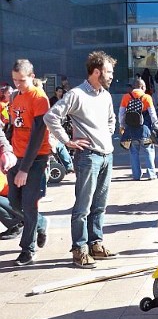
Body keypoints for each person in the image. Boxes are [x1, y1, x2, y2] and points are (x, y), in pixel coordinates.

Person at [44, 51, 118, 269]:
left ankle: (96, 243)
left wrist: (106, 135)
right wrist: (68, 141)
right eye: (109, 72)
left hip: (107, 155)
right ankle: (79, 249)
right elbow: (51, 117)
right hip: (88, 157)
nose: (112, 76)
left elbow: (111, 120)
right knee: (83, 207)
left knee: (100, 205)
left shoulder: (104, 95)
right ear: (96, 72)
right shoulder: (76, 94)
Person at [7, 59, 50, 266]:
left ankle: (27, 249)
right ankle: (41, 224)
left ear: (32, 77)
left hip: (36, 158)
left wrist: (24, 169)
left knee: (28, 204)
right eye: (14, 80)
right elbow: (12, 127)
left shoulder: (39, 98)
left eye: (22, 80)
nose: (17, 84)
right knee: (14, 201)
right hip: (16, 156)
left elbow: (38, 134)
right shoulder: (16, 96)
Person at [119, 79, 158, 180]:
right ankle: (151, 174)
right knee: (149, 150)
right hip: (145, 130)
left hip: (131, 130)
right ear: (142, 87)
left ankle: (136, 175)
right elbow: (152, 114)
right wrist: (156, 125)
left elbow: (121, 114)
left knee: (133, 152)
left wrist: (122, 126)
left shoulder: (126, 97)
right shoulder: (147, 97)